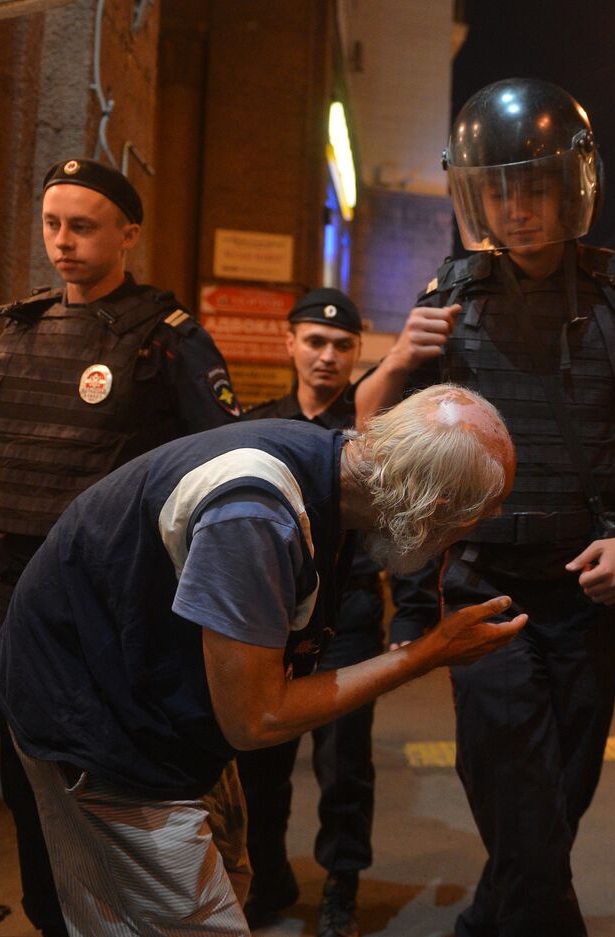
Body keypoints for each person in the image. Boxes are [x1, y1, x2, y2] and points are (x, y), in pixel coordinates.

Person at [357, 78, 615, 937]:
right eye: (500, 189)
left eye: (536, 185)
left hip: (594, 587)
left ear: (572, 185)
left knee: (560, 793)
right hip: (483, 582)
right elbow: (373, 438)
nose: (517, 208)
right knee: (510, 783)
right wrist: (403, 359)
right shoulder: (451, 294)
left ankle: (491, 917)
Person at [0, 385, 524, 936]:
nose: (471, 533)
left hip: (158, 694)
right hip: (95, 715)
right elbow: (256, 718)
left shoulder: (334, 466)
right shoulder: (256, 514)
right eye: (477, 517)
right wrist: (427, 654)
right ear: (432, 508)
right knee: (183, 920)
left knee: (227, 874)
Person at [0, 157, 243, 937]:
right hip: (19, 595)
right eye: (51, 224)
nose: (62, 242)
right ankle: (49, 919)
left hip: (121, 610)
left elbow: (229, 467)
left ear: (128, 232)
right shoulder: (20, 333)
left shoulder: (168, 341)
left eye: (83, 226)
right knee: (27, 786)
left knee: (117, 793)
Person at [231, 288, 383, 936]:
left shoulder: (374, 426)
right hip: (273, 620)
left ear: (356, 353)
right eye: (314, 341)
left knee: (343, 763)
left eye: (342, 344)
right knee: (260, 760)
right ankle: (269, 876)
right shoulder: (259, 422)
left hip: (346, 616)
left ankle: (341, 886)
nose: (327, 355)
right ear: (289, 343)